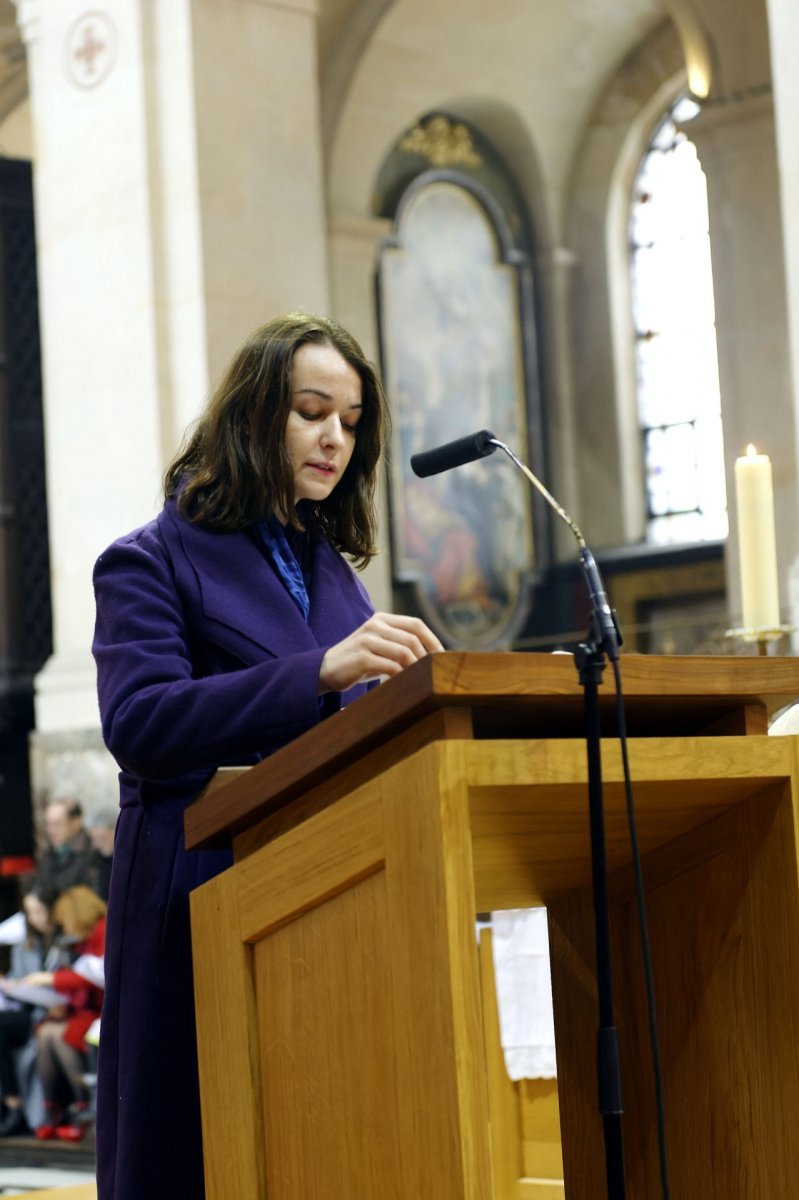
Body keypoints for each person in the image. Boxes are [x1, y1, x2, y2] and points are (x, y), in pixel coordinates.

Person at [91, 312, 443, 1200]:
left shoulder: (332, 571)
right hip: (203, 893)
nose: (334, 437)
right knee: (201, 1155)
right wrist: (318, 670)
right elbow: (139, 721)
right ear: (254, 418)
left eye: (351, 420)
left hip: (334, 892)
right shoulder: (148, 561)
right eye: (311, 411)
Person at [19, 885, 106, 1142]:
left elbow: (95, 975)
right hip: (87, 1008)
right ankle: (55, 1107)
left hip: (98, 1011)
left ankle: (80, 1107)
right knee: (46, 1033)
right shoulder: (87, 936)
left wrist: (52, 979)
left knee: (59, 1035)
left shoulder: (103, 931)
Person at [0, 890, 68, 1137]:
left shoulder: (63, 941)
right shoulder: (25, 944)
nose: (34, 918)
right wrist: (11, 986)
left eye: (38, 911)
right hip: (31, 1009)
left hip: (55, 1011)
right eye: (30, 913)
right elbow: (21, 983)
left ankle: (15, 1107)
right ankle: (12, 1105)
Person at [32, 799, 101, 900]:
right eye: (48, 824)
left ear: (76, 822)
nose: (51, 830)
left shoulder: (93, 851)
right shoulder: (49, 853)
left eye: (57, 824)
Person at [83, 807, 118, 902]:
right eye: (93, 839)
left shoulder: (126, 860)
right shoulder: (92, 859)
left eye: (102, 839)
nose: (96, 845)